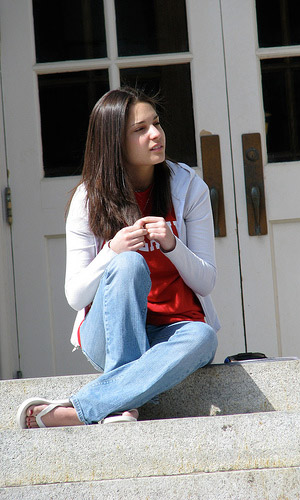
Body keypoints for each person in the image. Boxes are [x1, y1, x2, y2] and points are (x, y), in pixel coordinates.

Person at [17, 86, 220, 428]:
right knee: (128, 263)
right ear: (114, 142)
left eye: (156, 123)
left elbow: (206, 280)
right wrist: (112, 252)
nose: (156, 134)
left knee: (204, 337)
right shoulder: (88, 199)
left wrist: (173, 245)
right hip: (107, 335)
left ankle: (92, 407)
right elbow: (75, 296)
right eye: (140, 130)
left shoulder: (188, 186)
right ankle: (119, 397)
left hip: (172, 333)